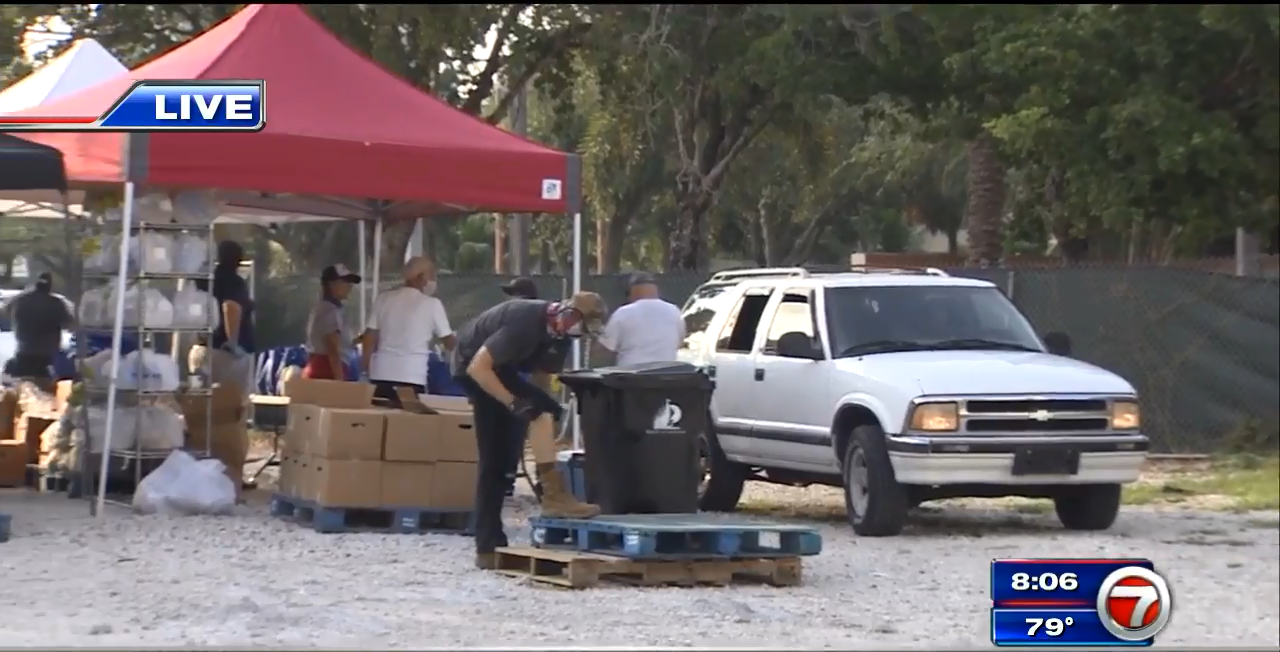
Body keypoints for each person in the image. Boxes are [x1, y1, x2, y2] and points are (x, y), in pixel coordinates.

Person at [453, 292, 608, 569]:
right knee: (494, 459)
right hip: (471, 367)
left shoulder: (561, 337)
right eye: (581, 327)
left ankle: (553, 494)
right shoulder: (524, 321)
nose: (581, 335)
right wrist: (514, 404)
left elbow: (540, 380)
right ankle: (486, 546)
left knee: (530, 428)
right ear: (567, 314)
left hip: (501, 370)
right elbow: (479, 367)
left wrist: (540, 411)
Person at [362, 256, 455, 405]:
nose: (434, 281)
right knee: (408, 425)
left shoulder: (383, 298)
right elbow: (449, 341)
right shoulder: (432, 304)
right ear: (421, 276)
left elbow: (369, 337)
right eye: (432, 276)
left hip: (381, 374)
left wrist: (366, 369)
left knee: (380, 422)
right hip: (412, 377)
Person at [189, 241, 256, 393]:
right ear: (238, 260)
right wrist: (232, 341)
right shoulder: (233, 281)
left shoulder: (204, 280)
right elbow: (231, 306)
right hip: (226, 355)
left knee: (199, 400)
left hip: (202, 348)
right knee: (233, 404)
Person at [597, 272, 684, 366]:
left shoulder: (623, 313)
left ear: (632, 291)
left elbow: (605, 349)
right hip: (667, 374)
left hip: (632, 375)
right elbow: (679, 341)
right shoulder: (674, 311)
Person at [2, 272, 74, 381]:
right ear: (50, 286)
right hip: (48, 355)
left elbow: (4, 311)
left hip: (24, 352)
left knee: (19, 385)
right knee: (48, 386)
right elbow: (69, 324)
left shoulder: (20, 300)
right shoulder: (56, 303)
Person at [302, 264, 361, 380]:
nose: (350, 286)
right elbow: (332, 348)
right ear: (331, 284)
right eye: (345, 281)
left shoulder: (326, 308)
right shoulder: (330, 310)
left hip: (320, 368)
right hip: (327, 371)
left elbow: (338, 344)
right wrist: (340, 380)